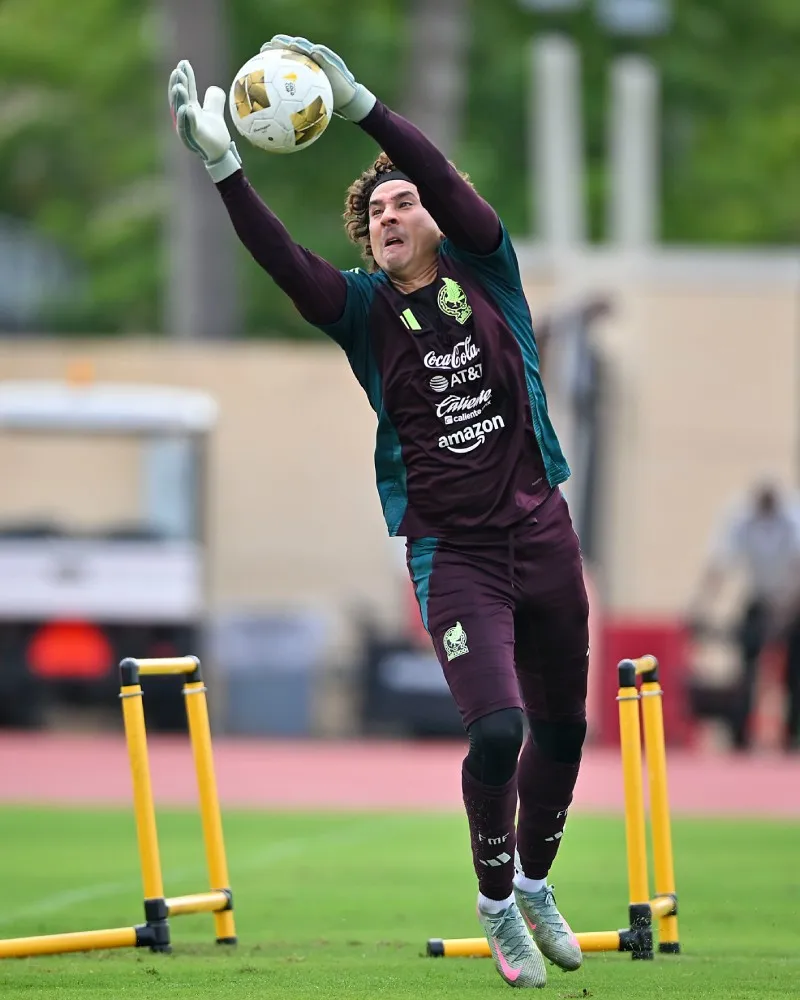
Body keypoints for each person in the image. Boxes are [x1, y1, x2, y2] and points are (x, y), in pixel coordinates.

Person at [169, 36, 589, 988]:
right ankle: (496, 908)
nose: (392, 213)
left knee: (564, 730)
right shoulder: (361, 310)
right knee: (498, 732)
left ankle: (535, 883)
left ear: (438, 219)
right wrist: (227, 167)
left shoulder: (489, 272)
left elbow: (439, 172)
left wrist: (363, 106)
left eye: (407, 202)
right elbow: (283, 262)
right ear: (367, 241)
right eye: (378, 211)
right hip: (455, 554)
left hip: (542, 530)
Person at [689, 480, 800, 752]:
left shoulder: (793, 516)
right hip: (760, 595)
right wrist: (701, 607)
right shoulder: (740, 517)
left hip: (792, 598)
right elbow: (719, 565)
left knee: (796, 669)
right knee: (747, 665)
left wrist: (785, 612)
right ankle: (741, 734)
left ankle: (794, 732)